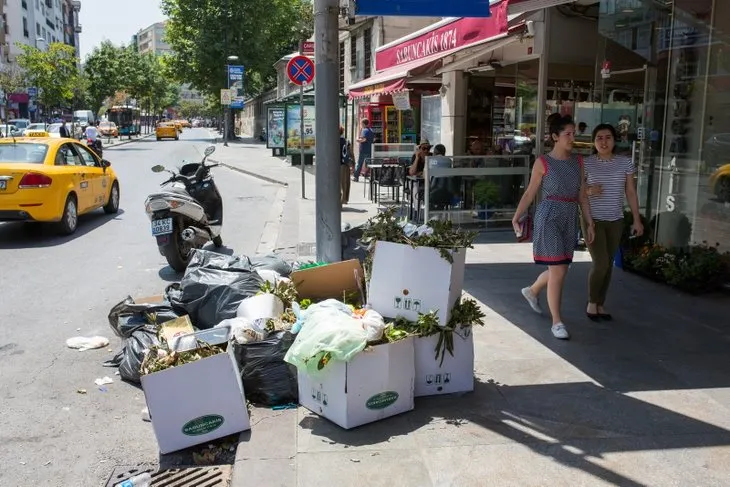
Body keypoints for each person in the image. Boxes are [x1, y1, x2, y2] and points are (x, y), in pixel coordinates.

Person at [512, 115, 595, 340]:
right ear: (555, 137)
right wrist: (517, 215)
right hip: (548, 216)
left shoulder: (579, 161)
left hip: (569, 216)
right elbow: (530, 192)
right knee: (558, 270)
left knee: (560, 269)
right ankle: (557, 321)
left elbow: (582, 195)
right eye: (568, 134)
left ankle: (532, 290)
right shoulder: (543, 162)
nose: (572, 138)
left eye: (573, 133)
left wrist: (589, 222)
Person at [584, 123, 643, 320]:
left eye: (607, 137)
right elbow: (575, 191)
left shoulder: (625, 163)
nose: (603, 141)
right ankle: (592, 302)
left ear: (614, 140)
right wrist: (589, 191)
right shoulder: (586, 163)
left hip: (616, 219)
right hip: (592, 220)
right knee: (600, 263)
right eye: (599, 137)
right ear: (593, 141)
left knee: (608, 264)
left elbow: (631, 192)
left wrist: (637, 219)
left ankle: (600, 304)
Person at [339, 126, 351, 207]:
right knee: (345, 183)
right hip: (345, 165)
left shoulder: (332, 141)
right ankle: (343, 200)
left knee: (337, 184)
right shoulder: (346, 141)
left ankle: (338, 202)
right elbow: (350, 152)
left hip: (336, 165)